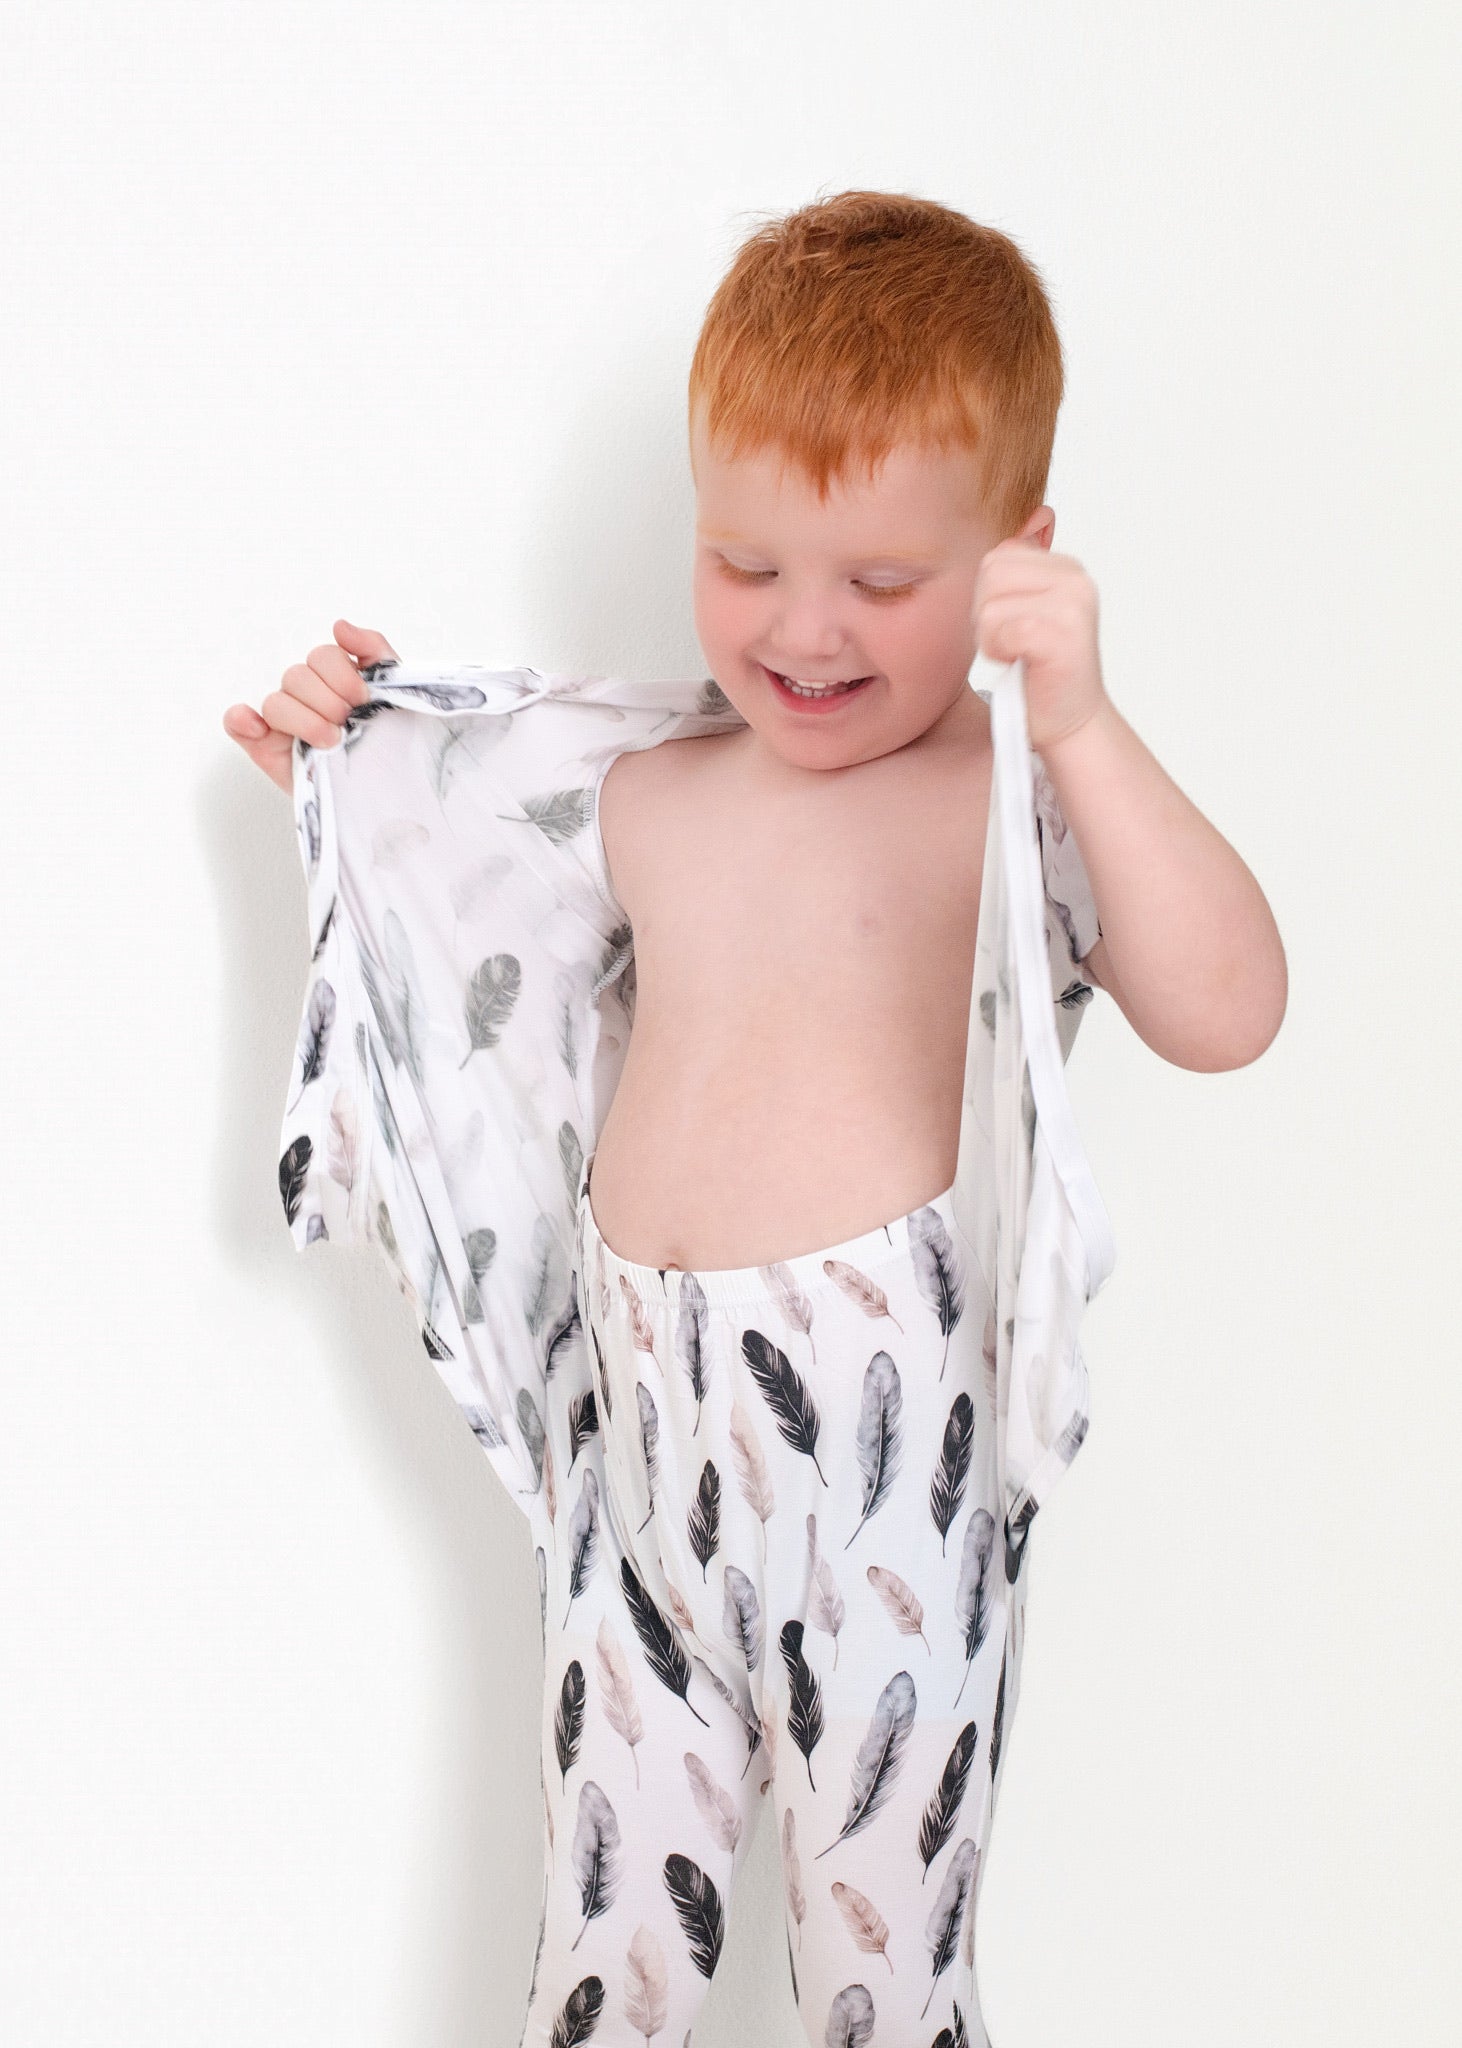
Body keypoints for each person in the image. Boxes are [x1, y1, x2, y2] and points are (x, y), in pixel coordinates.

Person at [224, 191, 1286, 2048]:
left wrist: (1085, 722)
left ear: (1016, 561)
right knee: (605, 1963)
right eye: (744, 561)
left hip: (886, 1461)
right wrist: (338, 748)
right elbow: (437, 904)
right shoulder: (647, 787)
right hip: (637, 1452)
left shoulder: (1013, 803)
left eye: (881, 582)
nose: (803, 629)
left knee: (884, 1970)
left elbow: (1227, 1008)